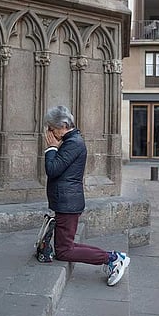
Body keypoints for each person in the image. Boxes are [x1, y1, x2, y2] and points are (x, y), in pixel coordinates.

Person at [43, 105, 130, 286]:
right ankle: (113, 257)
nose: (49, 133)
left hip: (68, 203)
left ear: (63, 125)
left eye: (51, 128)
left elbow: (53, 169)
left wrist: (51, 148)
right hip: (66, 202)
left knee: (65, 251)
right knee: (66, 247)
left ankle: (111, 258)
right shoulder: (70, 141)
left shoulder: (73, 143)